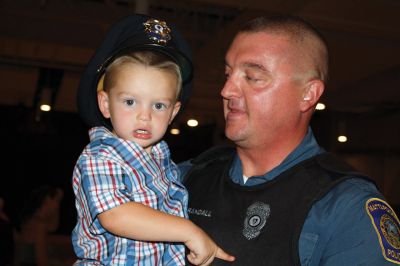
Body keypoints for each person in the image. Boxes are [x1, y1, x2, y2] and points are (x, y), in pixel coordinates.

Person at [180, 14, 400, 265]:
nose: (226, 90)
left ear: (308, 94)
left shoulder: (345, 209)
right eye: (227, 74)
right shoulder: (186, 177)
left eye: (252, 77)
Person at [73, 14, 234, 265]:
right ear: (105, 104)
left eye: (158, 105)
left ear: (174, 113)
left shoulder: (163, 162)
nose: (145, 116)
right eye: (130, 102)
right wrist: (189, 231)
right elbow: (116, 216)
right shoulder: (101, 155)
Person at [14, 185, 64, 266]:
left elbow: (53, 227)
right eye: (57, 201)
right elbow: (41, 262)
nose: (57, 206)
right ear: (47, 199)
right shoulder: (39, 225)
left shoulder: (31, 220)